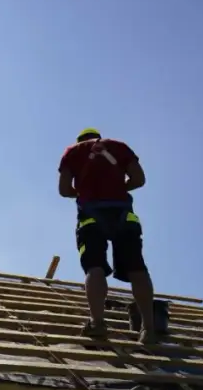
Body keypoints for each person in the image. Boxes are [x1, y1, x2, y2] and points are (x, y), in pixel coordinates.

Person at [58, 127, 158, 345]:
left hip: (91, 217)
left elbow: (64, 189)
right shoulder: (119, 147)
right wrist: (120, 188)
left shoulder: (72, 152)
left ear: (80, 140)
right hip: (123, 215)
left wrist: (82, 191)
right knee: (137, 268)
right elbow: (139, 179)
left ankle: (97, 324)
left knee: (94, 267)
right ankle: (148, 329)